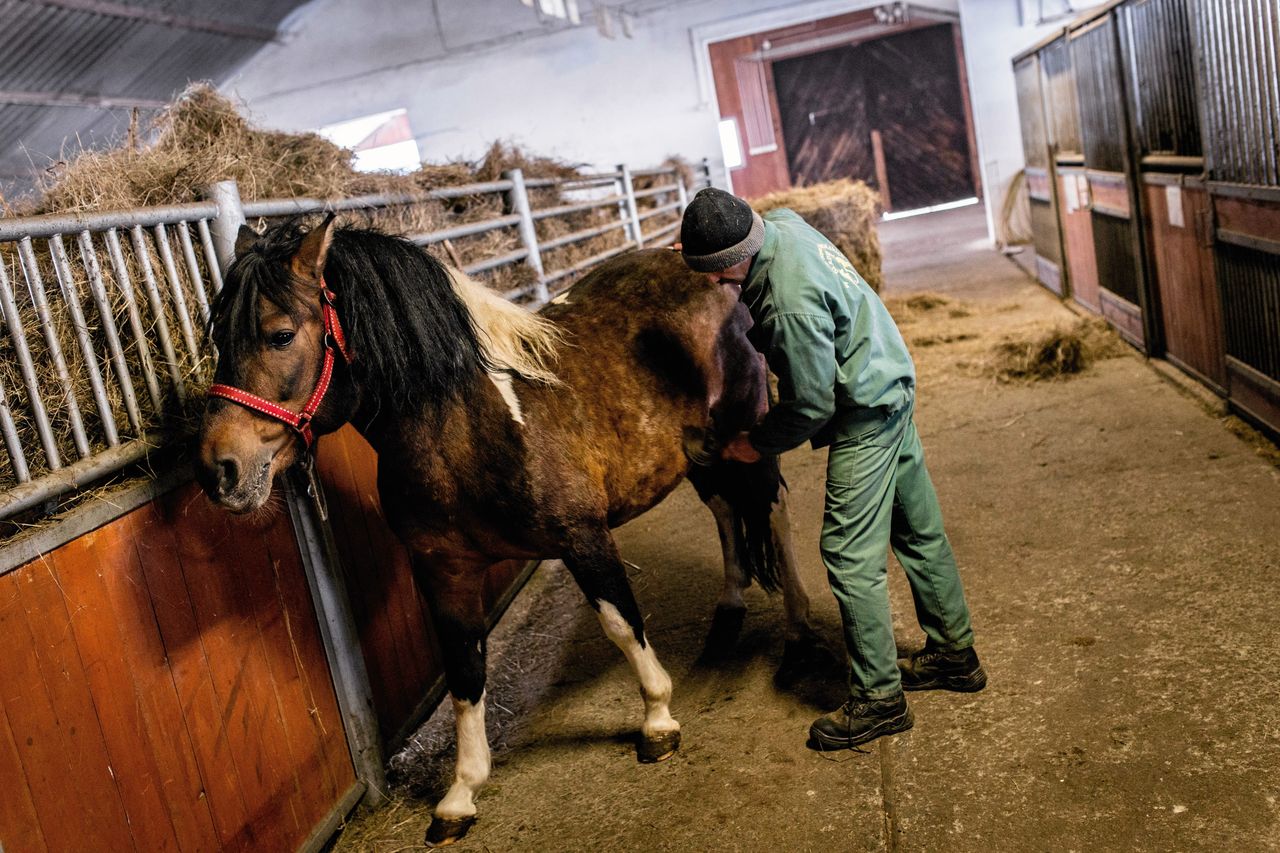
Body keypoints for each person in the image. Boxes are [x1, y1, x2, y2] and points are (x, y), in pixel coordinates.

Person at [678, 187, 986, 750]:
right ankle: (953, 655)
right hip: (891, 378)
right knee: (917, 532)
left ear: (732, 261)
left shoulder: (788, 303)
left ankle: (879, 700)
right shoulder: (784, 225)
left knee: (847, 554)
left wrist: (756, 443)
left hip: (864, 410)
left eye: (714, 274)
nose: (711, 284)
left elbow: (813, 404)